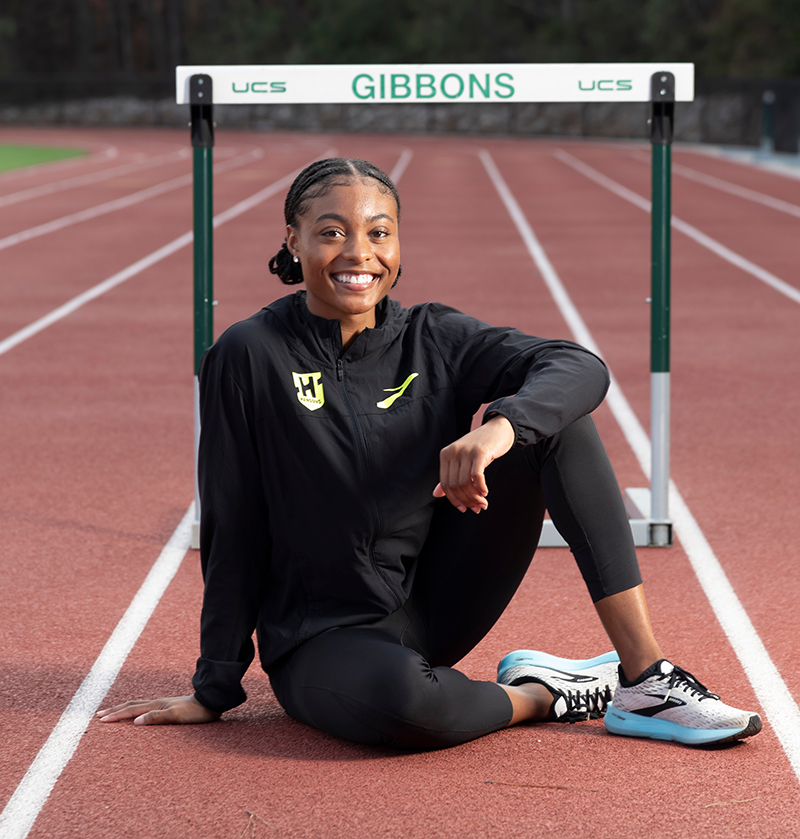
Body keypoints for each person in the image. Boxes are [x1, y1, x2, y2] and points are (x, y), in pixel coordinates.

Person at [98, 158, 762, 749]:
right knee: (406, 706)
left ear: (398, 244)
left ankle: (647, 680)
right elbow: (232, 522)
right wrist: (214, 685)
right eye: (332, 231)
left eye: (379, 232)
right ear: (292, 241)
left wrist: (498, 427)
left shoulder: (433, 338)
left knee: (555, 422)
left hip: (434, 602)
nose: (359, 252)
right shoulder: (249, 354)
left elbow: (577, 366)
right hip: (323, 638)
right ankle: (548, 694)